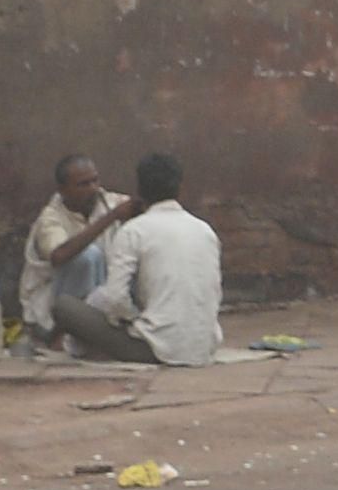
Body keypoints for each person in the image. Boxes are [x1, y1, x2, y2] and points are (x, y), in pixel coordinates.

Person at [51, 153, 222, 368]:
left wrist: (133, 319)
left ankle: (73, 345)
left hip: (155, 349)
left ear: (140, 191)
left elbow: (115, 299)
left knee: (65, 308)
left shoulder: (134, 231)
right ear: (180, 188)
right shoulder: (205, 230)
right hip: (204, 347)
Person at [16, 154, 132, 347]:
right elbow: (59, 256)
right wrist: (111, 218)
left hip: (98, 297)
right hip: (52, 303)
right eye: (83, 184)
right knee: (87, 256)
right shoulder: (50, 218)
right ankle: (63, 332)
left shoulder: (109, 202)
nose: (93, 189)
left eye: (95, 180)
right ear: (63, 190)